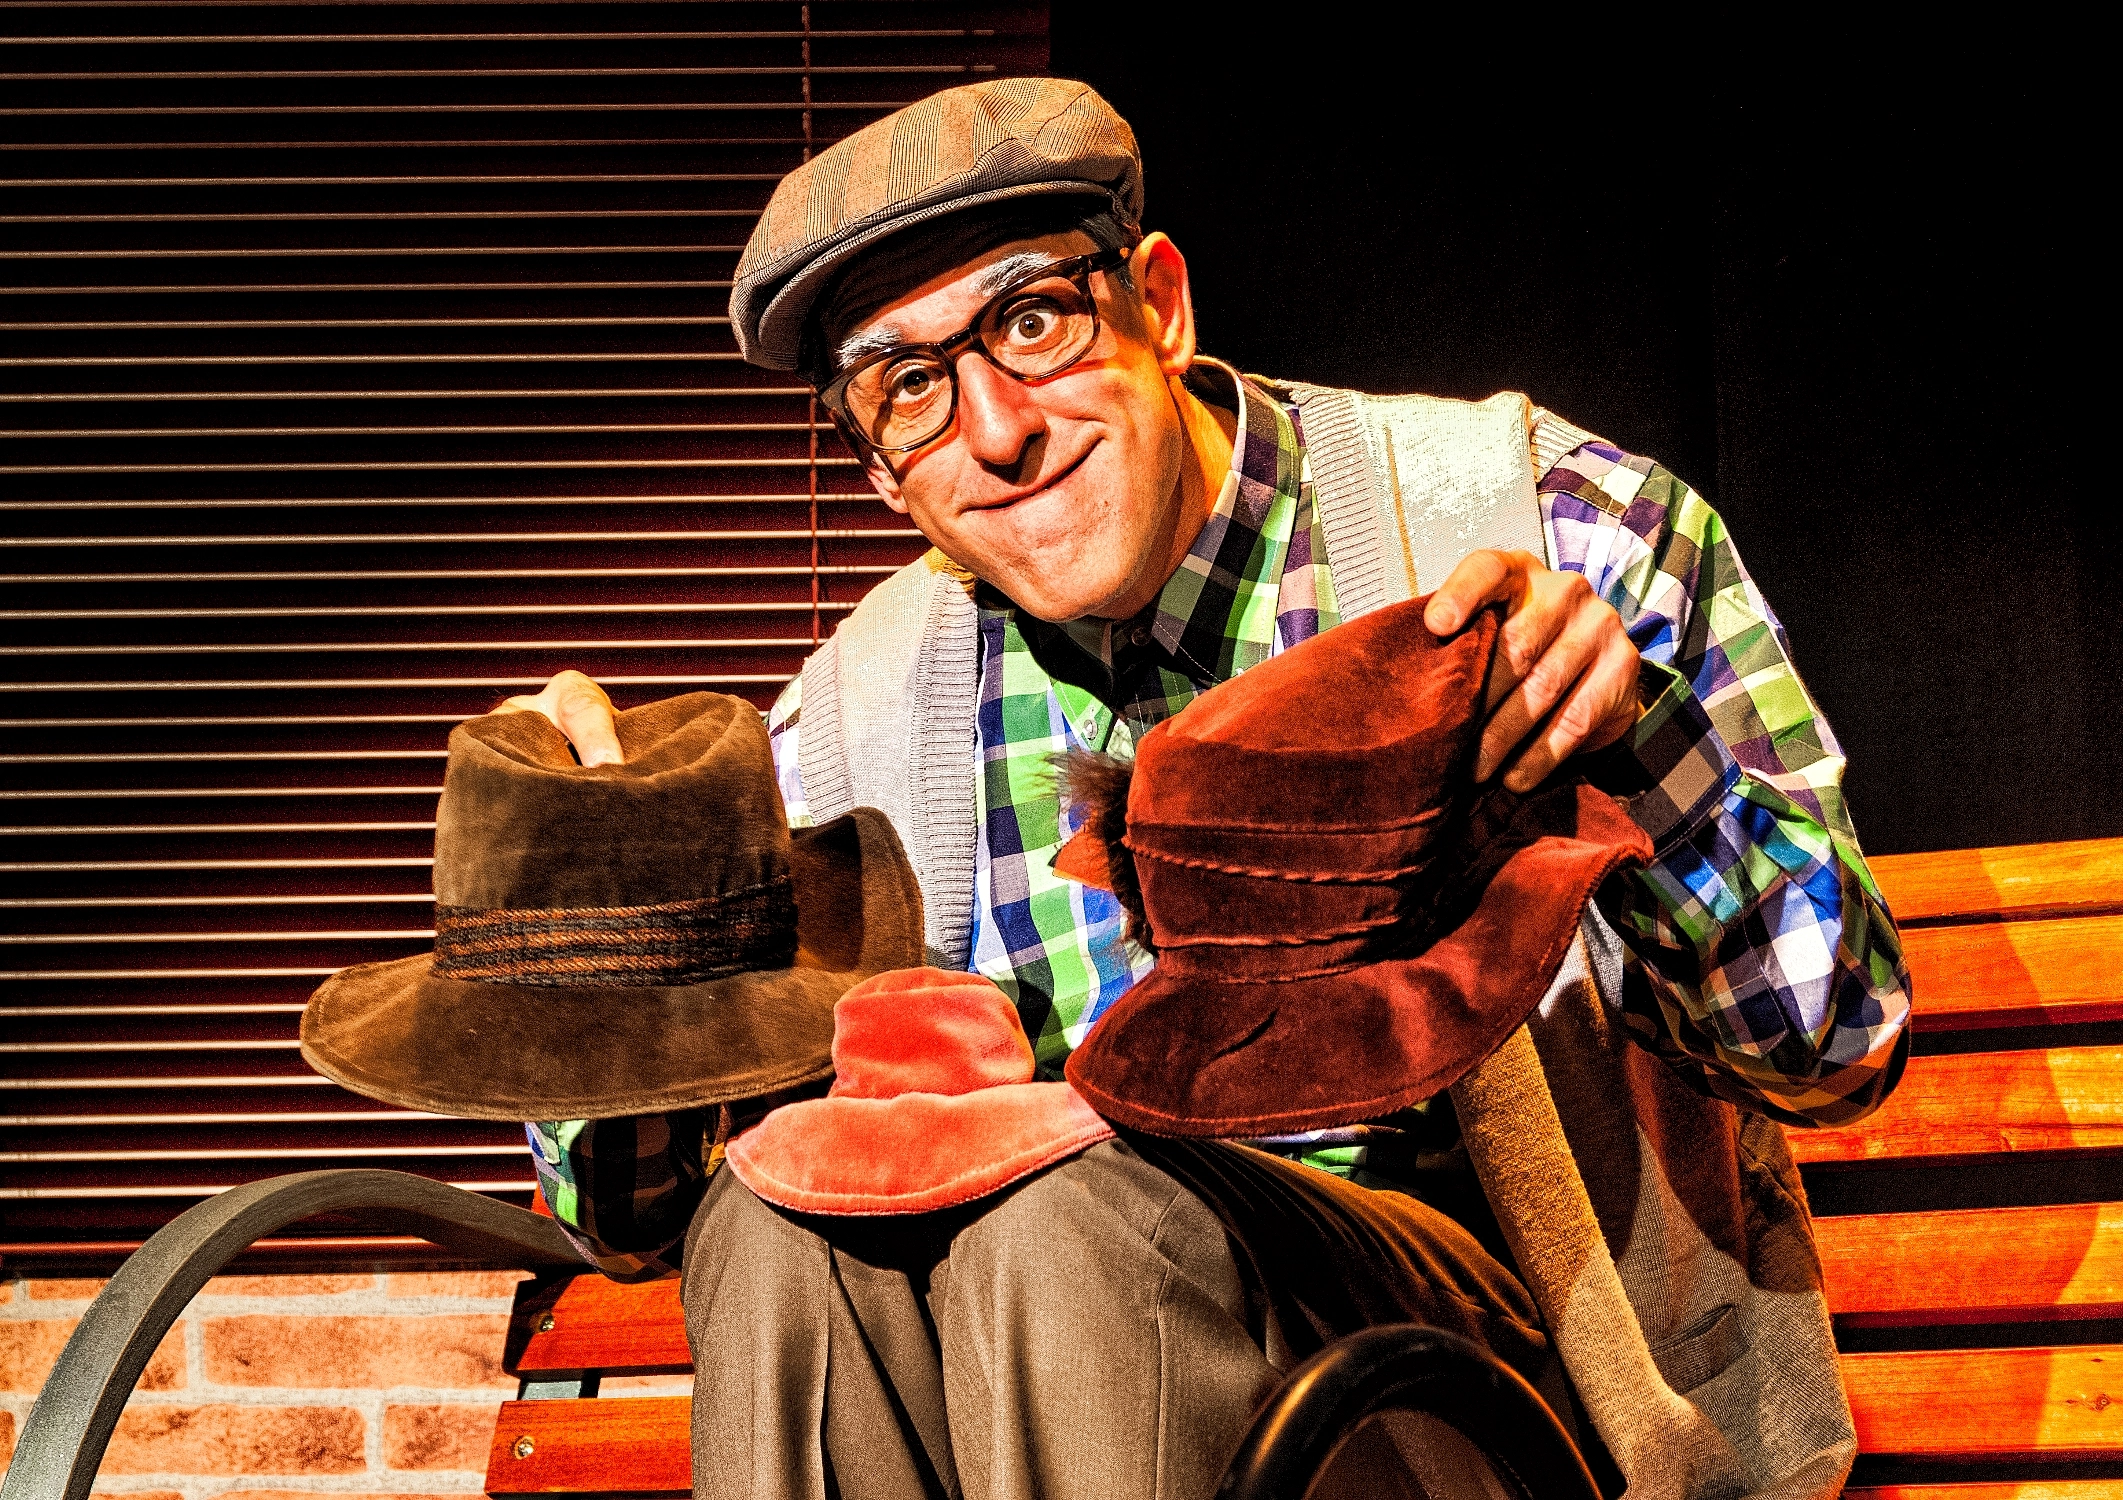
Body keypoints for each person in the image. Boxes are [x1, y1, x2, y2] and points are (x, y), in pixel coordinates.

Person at [499, 79, 1912, 1500]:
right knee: (779, 1224)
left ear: (1160, 307)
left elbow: (1838, 1046)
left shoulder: (1547, 530)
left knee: (1067, 1211)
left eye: (1031, 322)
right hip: (1044, 1392)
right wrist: (599, 924)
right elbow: (631, 1226)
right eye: (909, 387)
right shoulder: (851, 719)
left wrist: (1629, 752)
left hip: (1515, 1409)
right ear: (877, 471)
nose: (996, 430)